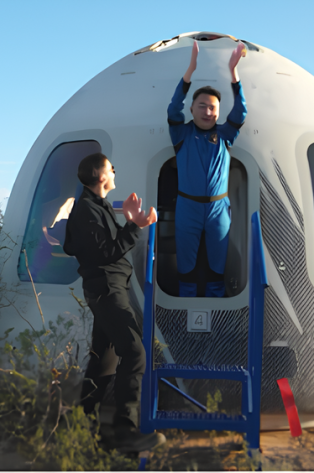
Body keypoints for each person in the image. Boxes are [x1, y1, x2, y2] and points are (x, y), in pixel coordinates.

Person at [62, 153, 163, 452]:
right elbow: (107, 252)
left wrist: (131, 220)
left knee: (103, 362)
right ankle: (125, 432)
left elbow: (104, 245)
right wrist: (137, 225)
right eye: (111, 168)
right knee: (134, 354)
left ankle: (83, 431)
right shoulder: (86, 211)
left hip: (109, 289)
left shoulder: (97, 206)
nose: (115, 171)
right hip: (108, 291)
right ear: (100, 175)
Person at [167, 40, 247, 297]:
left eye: (213, 107)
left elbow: (241, 112)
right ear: (192, 109)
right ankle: (183, 312)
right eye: (201, 105)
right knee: (187, 267)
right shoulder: (181, 133)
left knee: (217, 266)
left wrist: (234, 73)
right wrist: (190, 71)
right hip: (187, 206)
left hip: (218, 208)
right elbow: (172, 109)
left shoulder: (225, 135)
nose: (207, 111)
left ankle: (216, 318)